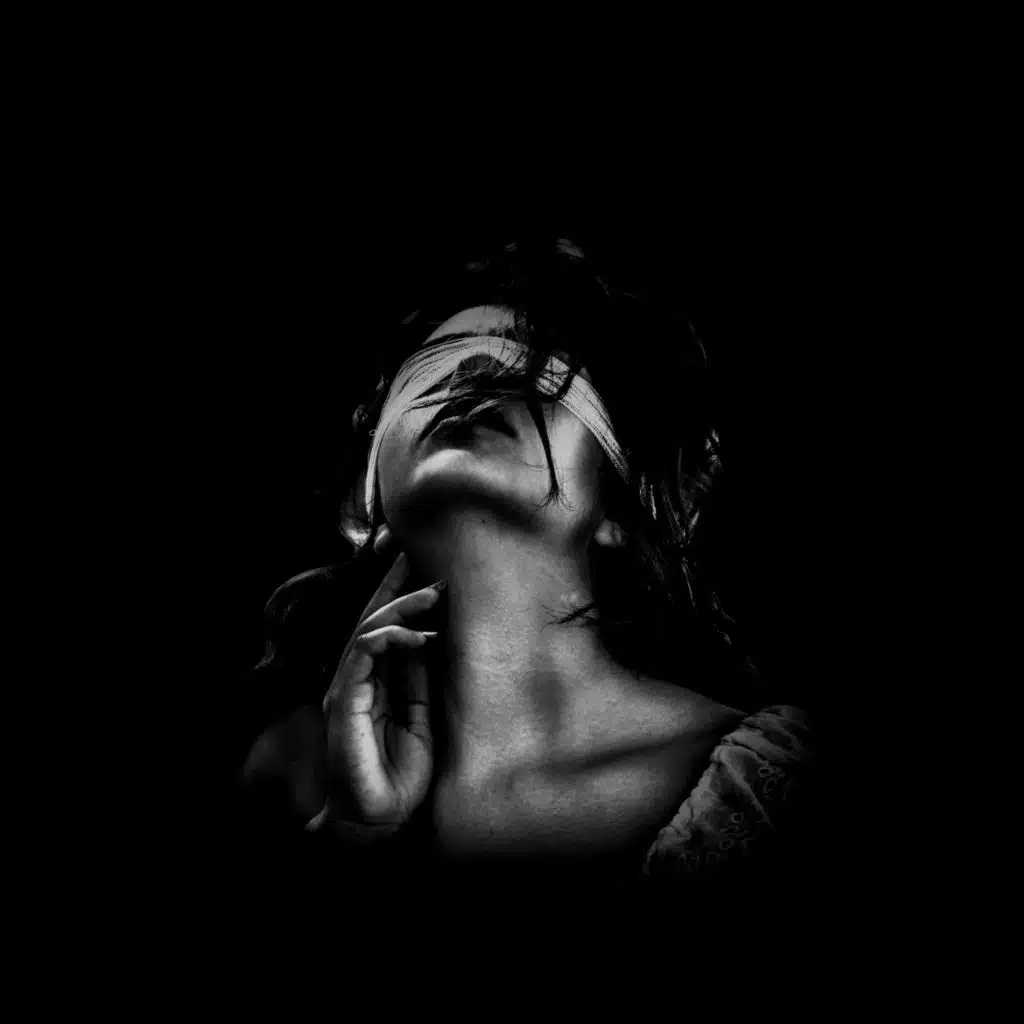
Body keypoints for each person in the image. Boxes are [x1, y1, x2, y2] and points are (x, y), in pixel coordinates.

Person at [234, 235, 818, 928]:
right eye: (434, 367)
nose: (476, 373)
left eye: (541, 372)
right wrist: (351, 843)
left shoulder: (784, 784)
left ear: (618, 514)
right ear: (367, 506)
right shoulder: (293, 777)